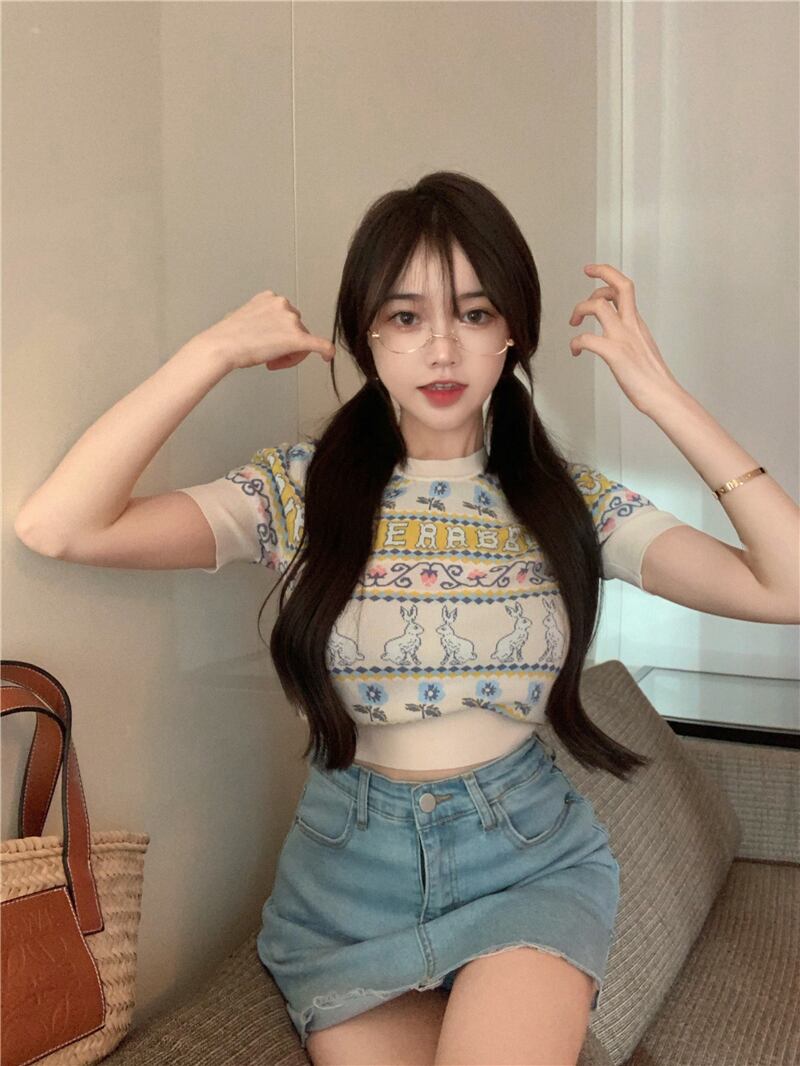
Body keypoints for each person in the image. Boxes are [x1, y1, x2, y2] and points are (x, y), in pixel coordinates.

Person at [16, 170, 795, 1066]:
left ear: (513, 332)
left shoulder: (569, 503)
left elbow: (786, 588)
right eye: (405, 316)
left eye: (474, 313)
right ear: (366, 334)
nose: (442, 350)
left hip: (526, 860)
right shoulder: (300, 491)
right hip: (346, 881)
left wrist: (660, 396)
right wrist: (213, 353)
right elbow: (61, 526)